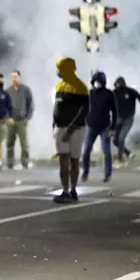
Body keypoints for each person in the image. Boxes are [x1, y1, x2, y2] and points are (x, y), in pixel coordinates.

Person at [52, 58, 89, 204]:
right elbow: (57, 108)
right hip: (60, 128)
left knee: (74, 160)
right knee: (63, 159)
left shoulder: (80, 87)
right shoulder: (59, 86)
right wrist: (54, 125)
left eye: (60, 68)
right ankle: (65, 190)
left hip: (76, 129)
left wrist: (70, 129)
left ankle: (73, 190)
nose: (58, 72)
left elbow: (84, 111)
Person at [82, 72, 116, 183]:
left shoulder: (109, 94)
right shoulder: (89, 93)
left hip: (105, 126)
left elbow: (115, 111)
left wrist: (113, 128)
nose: (97, 84)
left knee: (106, 151)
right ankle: (85, 172)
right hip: (91, 126)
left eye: (99, 82)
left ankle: (107, 174)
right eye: (96, 81)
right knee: (86, 150)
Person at [112, 76, 140, 167]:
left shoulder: (130, 91)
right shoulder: (114, 93)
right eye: (116, 84)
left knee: (121, 138)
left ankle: (119, 160)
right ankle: (129, 153)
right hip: (118, 119)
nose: (117, 86)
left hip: (128, 119)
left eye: (118, 84)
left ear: (122, 83)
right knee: (115, 141)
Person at [6, 70, 34, 169]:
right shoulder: (8, 91)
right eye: (12, 77)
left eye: (16, 77)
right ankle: (10, 162)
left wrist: (28, 117)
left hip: (22, 120)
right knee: (10, 142)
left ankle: (25, 162)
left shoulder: (26, 90)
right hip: (11, 120)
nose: (14, 79)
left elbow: (30, 104)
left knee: (24, 143)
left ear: (19, 77)